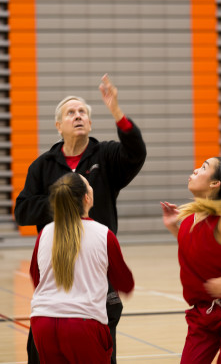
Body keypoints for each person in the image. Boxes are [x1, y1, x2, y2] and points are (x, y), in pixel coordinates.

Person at [15, 73, 146, 364]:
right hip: (56, 270)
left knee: (100, 350)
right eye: (71, 112)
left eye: (83, 112)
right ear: (58, 125)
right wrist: (65, 205)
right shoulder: (43, 165)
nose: (78, 116)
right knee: (38, 353)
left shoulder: (107, 155)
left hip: (97, 270)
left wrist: (116, 110)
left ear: (90, 122)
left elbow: (136, 153)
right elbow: (22, 211)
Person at [30, 172, 134, 364]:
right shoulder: (104, 234)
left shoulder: (44, 232)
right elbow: (125, 284)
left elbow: (36, 279)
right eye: (89, 185)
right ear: (87, 197)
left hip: (43, 323)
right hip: (84, 325)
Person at [161, 157, 221, 364]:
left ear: (215, 184)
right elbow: (200, 251)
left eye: (203, 167)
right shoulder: (187, 220)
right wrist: (173, 228)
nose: (195, 170)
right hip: (201, 316)